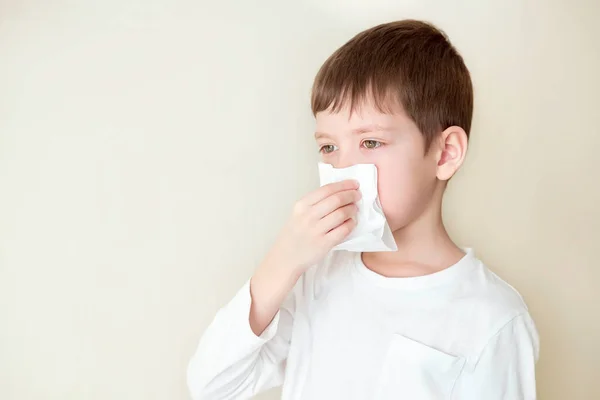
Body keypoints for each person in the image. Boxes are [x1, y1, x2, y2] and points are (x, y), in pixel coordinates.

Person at [187, 19, 539, 400]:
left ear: (446, 153)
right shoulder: (316, 278)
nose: (343, 169)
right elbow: (212, 386)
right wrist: (283, 262)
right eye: (328, 147)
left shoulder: (493, 318)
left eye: (371, 142)